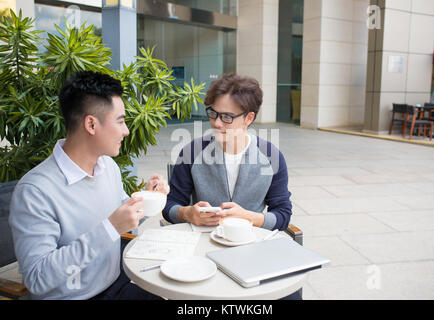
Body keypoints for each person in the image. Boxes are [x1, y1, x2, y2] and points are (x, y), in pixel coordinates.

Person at [9, 71, 169, 300]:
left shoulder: (107, 166)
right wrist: (110, 228)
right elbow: (37, 278)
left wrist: (147, 199)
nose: (127, 131)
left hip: (116, 285)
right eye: (121, 121)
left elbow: (123, 218)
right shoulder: (35, 192)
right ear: (91, 124)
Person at [162, 72, 292, 232]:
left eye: (227, 117)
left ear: (248, 118)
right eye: (213, 113)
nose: (216, 123)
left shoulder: (270, 155)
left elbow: (283, 214)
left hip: (251, 242)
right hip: (203, 242)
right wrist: (187, 213)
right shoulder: (192, 151)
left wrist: (248, 217)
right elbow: (169, 206)